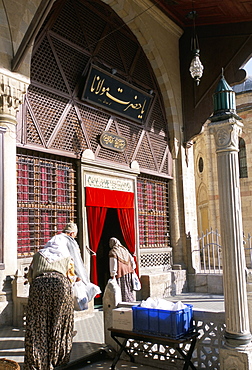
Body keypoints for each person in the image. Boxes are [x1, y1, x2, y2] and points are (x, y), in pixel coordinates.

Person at [24, 232, 76, 370]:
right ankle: (57, 359)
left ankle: (37, 362)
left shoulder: (38, 255)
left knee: (38, 324)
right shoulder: (67, 257)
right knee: (59, 322)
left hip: (39, 287)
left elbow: (30, 276)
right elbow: (71, 277)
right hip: (61, 286)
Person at [109, 237, 136, 302]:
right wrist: (133, 268)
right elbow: (132, 260)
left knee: (121, 288)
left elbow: (113, 263)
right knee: (128, 287)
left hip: (120, 273)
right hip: (128, 272)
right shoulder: (125, 250)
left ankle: (123, 301)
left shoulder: (113, 252)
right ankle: (130, 300)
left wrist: (113, 274)